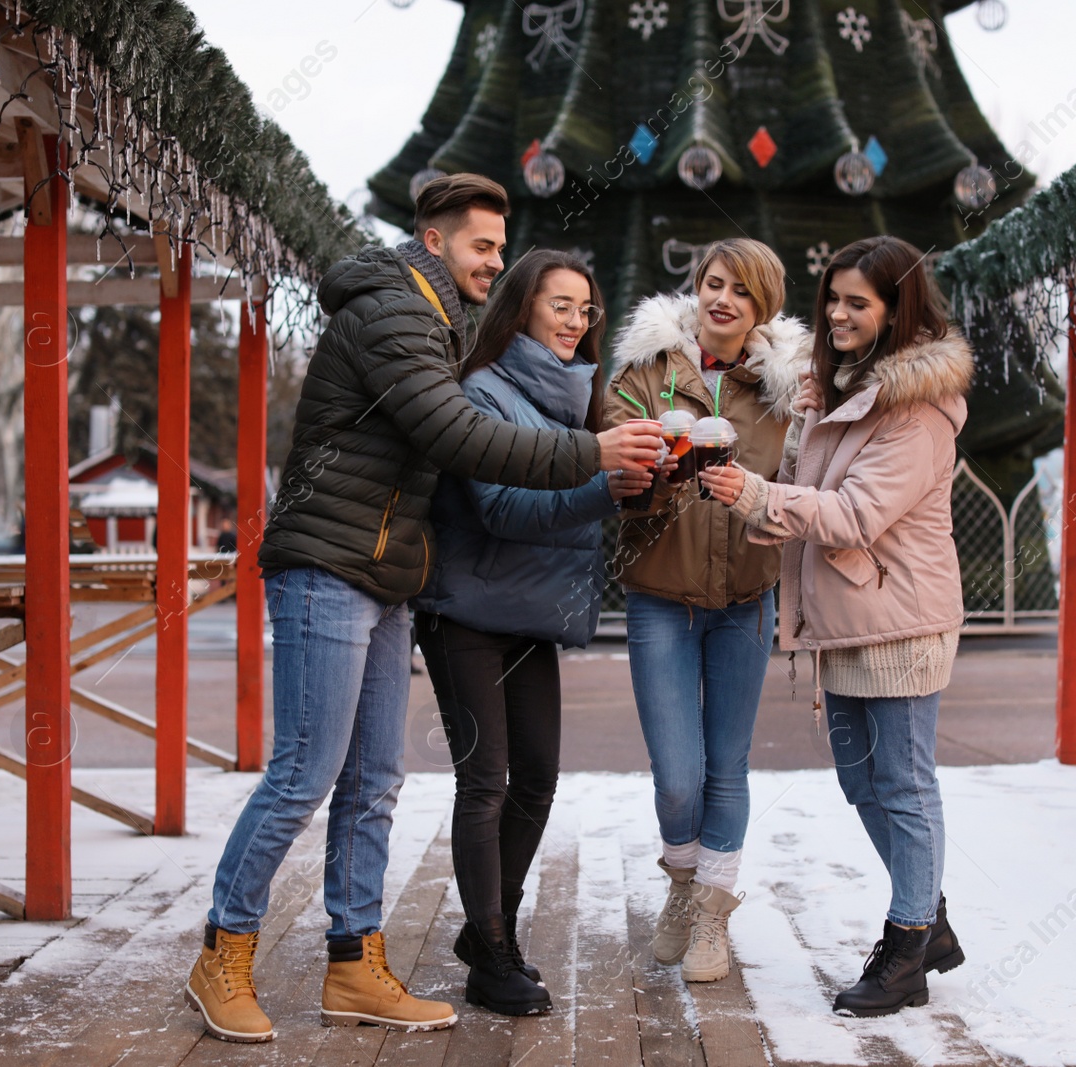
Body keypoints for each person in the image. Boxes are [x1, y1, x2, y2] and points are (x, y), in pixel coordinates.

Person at [184, 174, 664, 1044]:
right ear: (435, 240)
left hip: (383, 575)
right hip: (326, 565)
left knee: (373, 783)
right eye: (483, 246)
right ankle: (223, 950)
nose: (496, 261)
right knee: (306, 771)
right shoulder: (393, 313)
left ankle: (353, 961)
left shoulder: (435, 322)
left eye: (500, 247)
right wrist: (592, 451)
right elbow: (459, 436)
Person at [699, 235, 971, 1016]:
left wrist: (755, 496)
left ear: (897, 310)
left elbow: (855, 515)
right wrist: (781, 472)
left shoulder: (914, 410)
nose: (840, 313)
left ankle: (907, 943)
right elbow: (806, 491)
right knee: (862, 779)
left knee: (905, 783)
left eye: (860, 301)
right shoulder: (843, 392)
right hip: (847, 618)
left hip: (900, 618)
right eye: (835, 299)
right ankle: (933, 917)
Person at [414, 249, 647, 1016]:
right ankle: (492, 952)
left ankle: (489, 929)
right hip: (466, 612)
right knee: (487, 782)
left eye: (586, 310)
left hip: (528, 617)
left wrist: (634, 484)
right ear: (520, 309)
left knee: (538, 778)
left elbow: (572, 494)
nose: (577, 322)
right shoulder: (483, 391)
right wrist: (601, 487)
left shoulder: (571, 399)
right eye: (561, 306)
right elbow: (503, 510)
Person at [605, 239, 811, 983]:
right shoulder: (647, 369)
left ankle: (711, 916)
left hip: (746, 598)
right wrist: (658, 472)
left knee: (727, 763)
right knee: (676, 774)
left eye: (743, 292)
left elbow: (807, 481)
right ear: (698, 288)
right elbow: (616, 474)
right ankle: (683, 885)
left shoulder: (787, 387)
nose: (724, 299)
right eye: (715, 283)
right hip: (661, 595)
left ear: (764, 308)